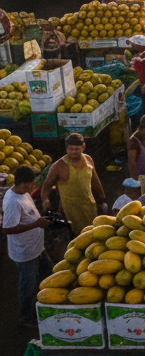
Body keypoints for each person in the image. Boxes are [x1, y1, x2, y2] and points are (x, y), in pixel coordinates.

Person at [3, 165, 55, 326]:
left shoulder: (22, 192)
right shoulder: (13, 202)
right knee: (27, 285)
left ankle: (49, 305)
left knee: (49, 275)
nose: (34, 186)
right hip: (25, 253)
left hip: (37, 247)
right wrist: (36, 224)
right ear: (26, 184)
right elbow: (7, 229)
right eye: (33, 183)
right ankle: (25, 317)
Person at [39, 134, 106, 237]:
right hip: (70, 211)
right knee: (76, 238)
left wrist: (103, 200)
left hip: (89, 207)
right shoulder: (58, 166)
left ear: (83, 147)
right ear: (66, 148)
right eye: (71, 149)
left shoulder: (88, 160)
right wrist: (45, 200)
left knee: (93, 235)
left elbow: (95, 181)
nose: (74, 152)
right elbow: (46, 186)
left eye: (77, 149)